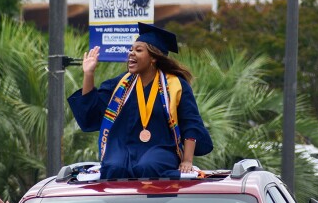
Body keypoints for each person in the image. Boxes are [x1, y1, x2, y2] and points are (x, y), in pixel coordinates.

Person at [67, 23, 213, 179]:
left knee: (148, 166)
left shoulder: (175, 86)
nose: (131, 53)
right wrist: (89, 74)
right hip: (122, 148)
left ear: (154, 58)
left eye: (138, 50)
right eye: (131, 49)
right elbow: (91, 112)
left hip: (160, 149)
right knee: (113, 168)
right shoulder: (120, 85)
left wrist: (187, 160)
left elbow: (191, 123)